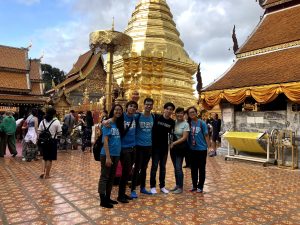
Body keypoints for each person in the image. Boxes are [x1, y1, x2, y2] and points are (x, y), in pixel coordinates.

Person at [98, 104, 123, 208]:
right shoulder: (108, 123)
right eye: (116, 109)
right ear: (112, 111)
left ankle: (108, 197)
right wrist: (108, 157)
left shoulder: (119, 124)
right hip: (107, 154)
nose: (118, 112)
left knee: (112, 177)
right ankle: (102, 199)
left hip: (116, 154)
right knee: (104, 177)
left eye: (120, 110)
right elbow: (105, 141)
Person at [130, 98, 155, 198]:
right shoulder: (138, 116)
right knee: (137, 168)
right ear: (144, 105)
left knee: (144, 168)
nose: (148, 106)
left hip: (148, 146)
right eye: (147, 104)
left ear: (152, 106)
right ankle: (133, 189)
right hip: (139, 146)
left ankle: (143, 187)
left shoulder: (153, 116)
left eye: (150, 104)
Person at [150, 102, 175, 194]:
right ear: (164, 109)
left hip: (164, 147)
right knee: (154, 166)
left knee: (163, 167)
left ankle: (162, 186)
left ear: (172, 111)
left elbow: (172, 134)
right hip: (155, 147)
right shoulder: (156, 117)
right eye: (167, 109)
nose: (169, 111)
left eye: (171, 109)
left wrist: (171, 144)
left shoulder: (172, 122)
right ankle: (152, 186)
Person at [117, 101, 138, 203]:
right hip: (124, 148)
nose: (132, 108)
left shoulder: (135, 117)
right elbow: (111, 120)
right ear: (127, 107)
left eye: (134, 107)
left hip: (133, 147)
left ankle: (123, 193)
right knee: (125, 172)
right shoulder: (121, 116)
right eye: (131, 106)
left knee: (128, 172)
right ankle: (120, 196)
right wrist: (104, 122)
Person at [187, 106, 210, 193]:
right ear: (188, 115)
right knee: (193, 169)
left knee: (201, 168)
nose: (192, 114)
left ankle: (200, 186)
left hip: (201, 149)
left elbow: (206, 135)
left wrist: (209, 147)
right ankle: (194, 186)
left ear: (196, 113)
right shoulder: (189, 123)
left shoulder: (202, 123)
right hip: (192, 149)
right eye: (190, 113)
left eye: (193, 112)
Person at [170, 107, 190, 194]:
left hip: (180, 148)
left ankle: (180, 187)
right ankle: (177, 185)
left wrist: (174, 143)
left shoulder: (186, 124)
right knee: (175, 168)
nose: (179, 115)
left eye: (181, 113)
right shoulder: (174, 123)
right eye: (178, 113)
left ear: (184, 114)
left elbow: (184, 138)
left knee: (178, 168)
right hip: (173, 149)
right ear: (175, 114)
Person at [38, 108, 62, 179]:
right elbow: (60, 132)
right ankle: (47, 175)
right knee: (49, 159)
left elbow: (39, 131)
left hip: (44, 141)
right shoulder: (56, 121)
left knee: (44, 157)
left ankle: (42, 171)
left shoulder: (42, 121)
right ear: (54, 114)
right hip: (52, 141)